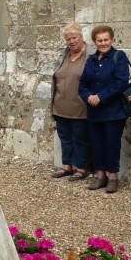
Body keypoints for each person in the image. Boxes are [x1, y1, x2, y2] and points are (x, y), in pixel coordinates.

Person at [78, 24, 130, 193]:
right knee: (97, 143)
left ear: (112, 39)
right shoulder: (91, 60)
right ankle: (100, 175)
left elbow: (120, 82)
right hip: (94, 111)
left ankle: (112, 177)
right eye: (99, 40)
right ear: (95, 42)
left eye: (106, 39)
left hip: (113, 111)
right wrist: (88, 97)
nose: (103, 43)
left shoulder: (119, 57)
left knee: (112, 144)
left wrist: (100, 97)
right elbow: (82, 84)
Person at [50, 22, 89, 181]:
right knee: (64, 137)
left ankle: (81, 168)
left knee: (80, 138)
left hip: (80, 106)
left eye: (74, 38)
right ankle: (67, 165)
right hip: (60, 105)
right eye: (68, 39)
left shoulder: (89, 56)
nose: (71, 41)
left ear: (81, 36)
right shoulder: (63, 55)